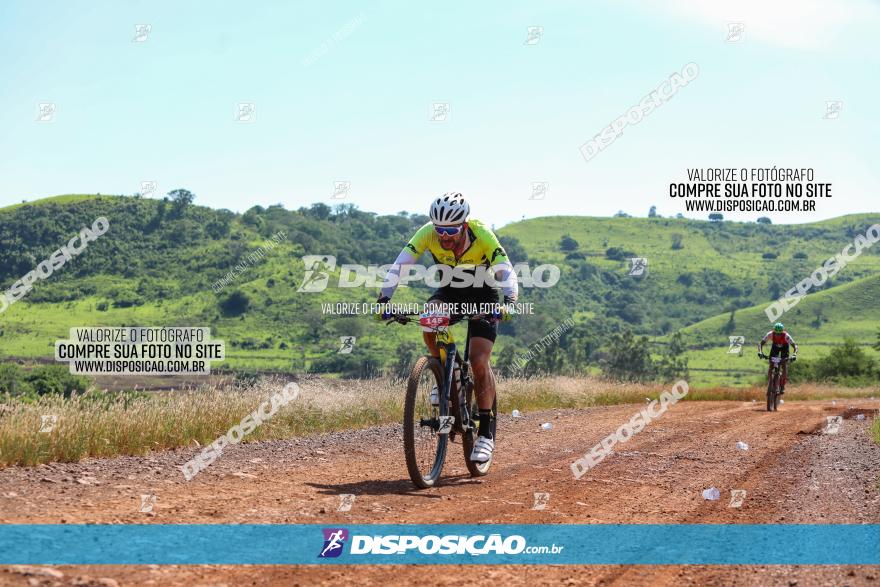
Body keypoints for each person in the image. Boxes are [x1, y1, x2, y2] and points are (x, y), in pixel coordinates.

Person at [377, 192, 518, 463]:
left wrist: (509, 302)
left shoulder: (482, 234)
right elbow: (400, 266)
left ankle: (486, 434)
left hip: (483, 296)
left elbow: (505, 270)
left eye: (451, 230)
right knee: (430, 320)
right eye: (440, 229)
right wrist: (384, 299)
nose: (444, 236)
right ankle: (446, 372)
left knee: (479, 361)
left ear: (464, 225)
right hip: (449, 293)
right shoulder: (427, 233)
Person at [758, 322, 798, 393]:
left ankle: (782, 385)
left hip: (784, 348)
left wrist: (794, 354)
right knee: (771, 364)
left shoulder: (786, 336)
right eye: (776, 333)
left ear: (782, 332)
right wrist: (760, 352)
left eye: (780, 334)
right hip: (775, 347)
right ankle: (770, 382)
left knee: (784, 365)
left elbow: (795, 345)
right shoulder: (770, 334)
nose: (778, 335)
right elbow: (761, 344)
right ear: (774, 331)